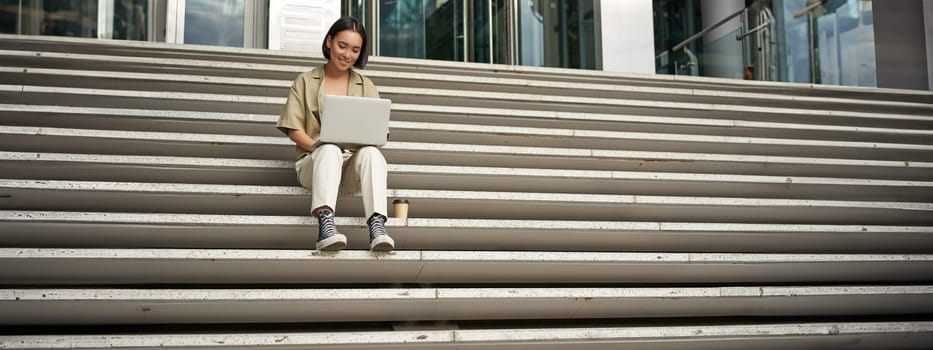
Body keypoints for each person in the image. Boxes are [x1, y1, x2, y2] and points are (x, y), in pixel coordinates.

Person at [276, 16, 394, 252]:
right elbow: (292, 128)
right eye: (342, 46)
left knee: (372, 153)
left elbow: (379, 132)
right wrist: (317, 147)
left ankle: (377, 226)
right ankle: (325, 225)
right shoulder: (306, 81)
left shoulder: (366, 86)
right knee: (328, 148)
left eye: (355, 50)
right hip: (313, 163)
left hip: (350, 165)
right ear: (329, 42)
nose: (347, 54)